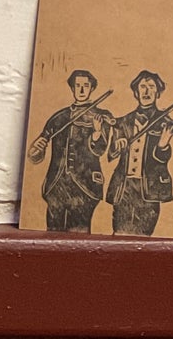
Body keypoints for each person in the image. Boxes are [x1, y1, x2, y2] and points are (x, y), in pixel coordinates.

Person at [27, 69, 112, 232]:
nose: (81, 90)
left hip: (85, 186)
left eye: (85, 86)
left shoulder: (100, 116)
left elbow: (100, 150)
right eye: (77, 85)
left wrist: (96, 132)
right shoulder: (59, 117)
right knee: (53, 232)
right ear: (72, 88)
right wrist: (37, 149)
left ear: (92, 88)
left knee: (79, 232)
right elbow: (35, 156)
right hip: (56, 184)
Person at [106, 70, 173, 236]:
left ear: (158, 92)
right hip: (124, 188)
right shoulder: (122, 122)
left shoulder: (164, 122)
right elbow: (111, 155)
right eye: (142, 87)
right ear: (136, 93)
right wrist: (118, 145)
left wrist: (163, 145)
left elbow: (161, 161)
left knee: (144, 236)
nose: (146, 91)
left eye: (151, 87)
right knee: (120, 233)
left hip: (149, 190)